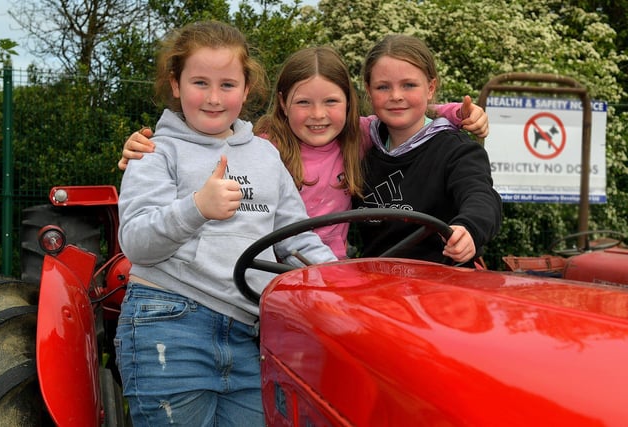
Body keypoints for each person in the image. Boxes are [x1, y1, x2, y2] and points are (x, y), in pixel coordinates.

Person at [114, 20, 337, 426]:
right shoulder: (156, 152)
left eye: (228, 85)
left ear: (247, 89)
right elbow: (136, 243)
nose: (214, 98)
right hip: (170, 325)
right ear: (176, 84)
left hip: (252, 332)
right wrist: (197, 207)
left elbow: (296, 239)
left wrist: (341, 282)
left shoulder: (265, 156)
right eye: (200, 82)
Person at [119, 46, 490, 259]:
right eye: (303, 103)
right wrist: (147, 150)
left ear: (349, 103)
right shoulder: (263, 148)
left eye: (331, 102)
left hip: (332, 267)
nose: (317, 115)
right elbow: (210, 146)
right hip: (269, 269)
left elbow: (406, 114)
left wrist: (458, 114)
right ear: (282, 103)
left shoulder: (358, 137)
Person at [354, 34, 502, 265]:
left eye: (409, 85)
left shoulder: (457, 150)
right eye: (383, 87)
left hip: (442, 283)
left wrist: (469, 229)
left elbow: (481, 195)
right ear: (369, 90)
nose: (396, 96)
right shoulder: (362, 148)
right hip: (374, 285)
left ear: (430, 88)